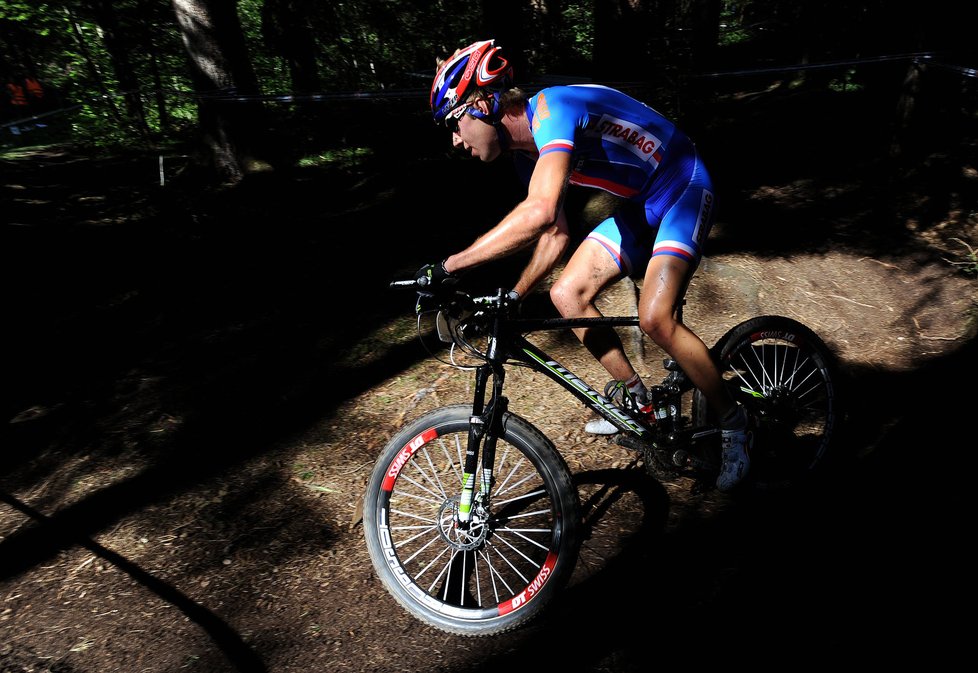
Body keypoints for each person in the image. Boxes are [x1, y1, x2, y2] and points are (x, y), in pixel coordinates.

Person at [415, 39, 751, 491]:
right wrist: (516, 295)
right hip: (644, 204)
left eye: (455, 124)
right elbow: (554, 234)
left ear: (482, 103)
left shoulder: (554, 109)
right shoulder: (526, 157)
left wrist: (451, 265)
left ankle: (735, 422)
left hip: (684, 186)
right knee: (566, 294)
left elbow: (538, 211)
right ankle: (638, 402)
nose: (455, 140)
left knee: (655, 317)